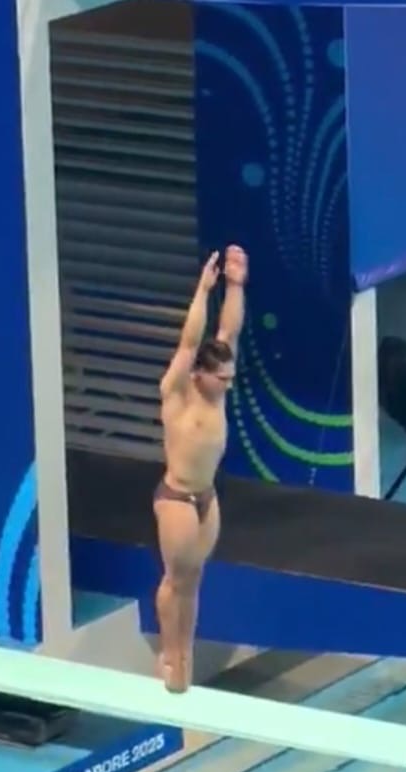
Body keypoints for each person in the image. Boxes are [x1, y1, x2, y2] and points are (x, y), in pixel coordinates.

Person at [154, 245, 248, 693]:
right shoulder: (177, 393)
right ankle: (169, 653)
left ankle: (186, 653)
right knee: (175, 580)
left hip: (207, 497)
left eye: (230, 378)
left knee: (195, 580)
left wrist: (236, 284)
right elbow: (190, 342)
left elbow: (229, 329)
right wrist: (204, 290)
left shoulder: (218, 388)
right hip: (176, 498)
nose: (227, 385)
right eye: (221, 378)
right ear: (198, 374)